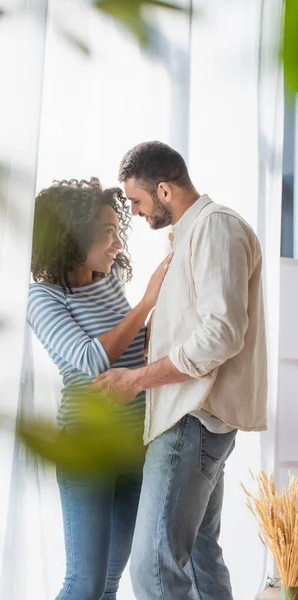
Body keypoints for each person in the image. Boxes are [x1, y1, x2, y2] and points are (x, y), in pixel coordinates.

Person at [94, 142, 267, 600]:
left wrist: (134, 380)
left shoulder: (215, 229)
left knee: (153, 570)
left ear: (164, 190)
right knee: (199, 562)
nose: (133, 212)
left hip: (190, 419)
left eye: (136, 201)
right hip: (196, 419)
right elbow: (208, 324)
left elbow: (222, 335)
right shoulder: (193, 236)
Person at [27, 177, 172, 600]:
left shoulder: (106, 280)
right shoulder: (43, 297)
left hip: (134, 445)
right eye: (106, 233)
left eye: (116, 230)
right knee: (84, 583)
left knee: (108, 582)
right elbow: (92, 359)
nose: (116, 243)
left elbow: (128, 351)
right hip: (86, 449)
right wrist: (146, 304)